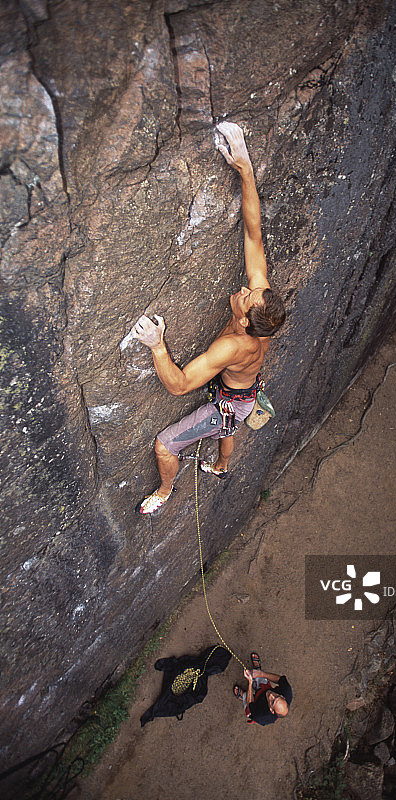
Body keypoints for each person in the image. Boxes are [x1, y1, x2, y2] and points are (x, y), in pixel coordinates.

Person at [132, 122, 285, 515]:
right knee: (230, 423)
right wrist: (245, 168)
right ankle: (221, 465)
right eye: (252, 290)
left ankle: (165, 490)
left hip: (231, 402)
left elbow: (180, 385)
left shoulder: (233, 346)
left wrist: (157, 346)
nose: (245, 289)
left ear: (247, 321)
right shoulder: (261, 310)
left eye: (246, 297)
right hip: (241, 394)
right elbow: (254, 234)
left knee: (165, 445)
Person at [233, 652, 292, 725]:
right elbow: (280, 679)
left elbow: (250, 704)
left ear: (271, 710)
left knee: (247, 700)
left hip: (256, 704)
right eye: (277, 696)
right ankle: (257, 671)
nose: (271, 695)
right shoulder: (287, 692)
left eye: (272, 702)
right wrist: (261, 674)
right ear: (282, 696)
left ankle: (243, 695)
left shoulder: (261, 716)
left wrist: (250, 682)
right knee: (261, 678)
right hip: (264, 688)